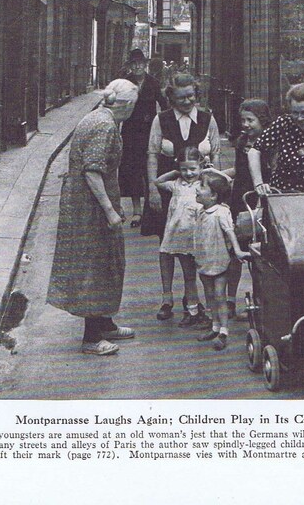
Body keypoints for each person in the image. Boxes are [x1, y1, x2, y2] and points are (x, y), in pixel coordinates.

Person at [46, 79, 139, 357]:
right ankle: (91, 337)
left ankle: (105, 322)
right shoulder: (106, 126)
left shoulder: (96, 116)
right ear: (127, 104)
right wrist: (110, 210)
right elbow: (92, 171)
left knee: (107, 261)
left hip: (85, 204)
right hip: (91, 209)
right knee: (95, 266)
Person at [144, 72, 221, 322]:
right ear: (171, 99)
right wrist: (152, 190)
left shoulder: (208, 119)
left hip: (200, 194)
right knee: (166, 246)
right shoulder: (161, 119)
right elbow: (152, 154)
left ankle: (194, 299)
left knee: (197, 246)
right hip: (169, 192)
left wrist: (215, 190)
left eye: (191, 96)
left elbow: (217, 155)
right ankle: (167, 298)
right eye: (181, 98)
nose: (187, 102)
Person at [223, 99, 272, 320]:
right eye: (243, 120)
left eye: (250, 120)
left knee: (259, 252)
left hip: (258, 199)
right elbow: (238, 168)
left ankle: (260, 301)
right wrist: (221, 174)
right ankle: (230, 300)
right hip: (239, 200)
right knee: (234, 251)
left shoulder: (269, 144)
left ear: (262, 120)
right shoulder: (242, 141)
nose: (246, 124)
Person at [193, 169, 250, 351]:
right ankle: (215, 326)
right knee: (209, 295)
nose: (197, 189)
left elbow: (230, 232)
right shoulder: (201, 212)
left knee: (219, 295)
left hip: (219, 261)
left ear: (213, 195)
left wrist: (238, 250)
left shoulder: (221, 212)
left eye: (201, 186)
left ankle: (224, 331)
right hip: (204, 260)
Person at [154, 146, 206, 327]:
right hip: (180, 238)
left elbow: (225, 179)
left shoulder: (205, 185)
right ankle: (192, 311)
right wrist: (175, 171)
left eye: (193, 169)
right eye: (184, 169)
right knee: (189, 276)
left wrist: (206, 170)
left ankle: (202, 310)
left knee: (206, 275)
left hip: (198, 236)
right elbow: (158, 181)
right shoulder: (176, 184)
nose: (188, 173)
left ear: (200, 166)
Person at [118, 48, 167, 227]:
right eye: (134, 63)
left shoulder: (153, 83)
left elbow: (163, 105)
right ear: (130, 66)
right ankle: (137, 210)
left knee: (149, 170)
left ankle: (149, 209)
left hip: (148, 132)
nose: (138, 66)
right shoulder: (125, 83)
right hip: (130, 132)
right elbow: (117, 105)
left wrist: (165, 128)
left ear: (145, 65)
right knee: (132, 171)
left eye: (140, 63)